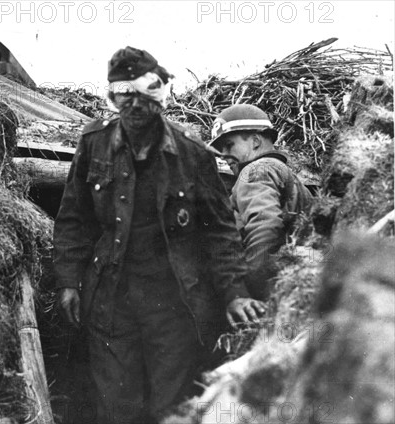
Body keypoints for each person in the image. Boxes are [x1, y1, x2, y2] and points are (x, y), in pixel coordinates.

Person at [53, 46, 265, 424]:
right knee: (116, 407)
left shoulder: (191, 152)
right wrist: (68, 280)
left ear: (160, 97)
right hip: (111, 300)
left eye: (144, 95)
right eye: (124, 96)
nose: (135, 106)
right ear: (114, 98)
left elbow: (219, 230)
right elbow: (74, 218)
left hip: (173, 304)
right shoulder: (94, 143)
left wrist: (234, 292)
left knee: (169, 407)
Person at [208, 104, 313, 299]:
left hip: (272, 290)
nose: (224, 154)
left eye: (229, 145)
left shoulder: (257, 170)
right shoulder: (284, 173)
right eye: (220, 149)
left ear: (256, 141)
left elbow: (263, 228)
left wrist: (252, 290)